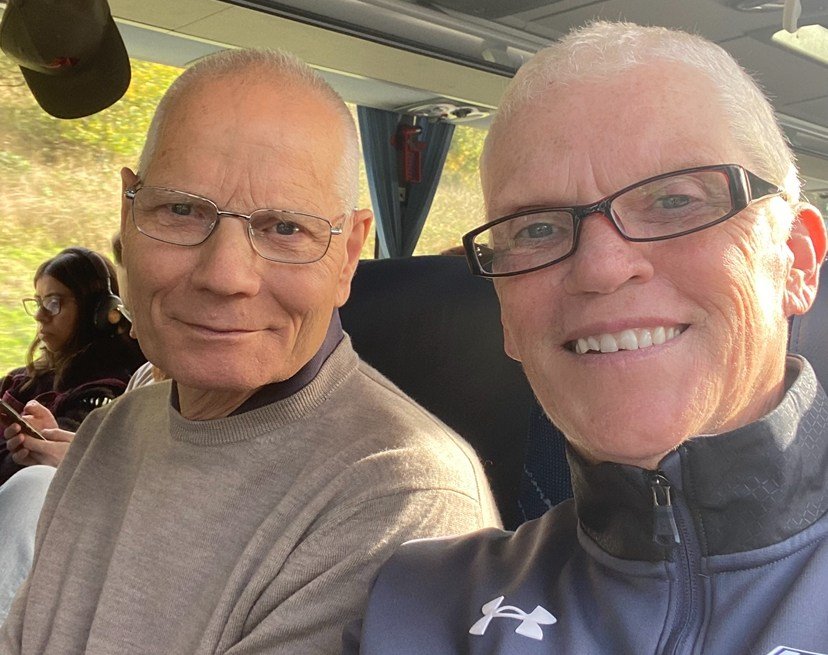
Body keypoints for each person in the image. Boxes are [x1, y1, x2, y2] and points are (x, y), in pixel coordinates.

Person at [346, 21, 828, 654]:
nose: (601, 269)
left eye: (676, 201)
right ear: (506, 316)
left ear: (796, 260)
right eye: (537, 229)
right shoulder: (417, 608)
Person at [1, 48, 499, 654]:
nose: (226, 275)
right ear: (127, 217)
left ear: (348, 256)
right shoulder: (110, 435)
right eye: (182, 210)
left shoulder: (405, 500)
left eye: (285, 227)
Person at [1, 247, 144, 483]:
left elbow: (39, 462)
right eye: (39, 302)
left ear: (99, 312)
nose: (40, 315)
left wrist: (26, 444)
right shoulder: (22, 378)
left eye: (54, 303)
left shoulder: (104, 392)